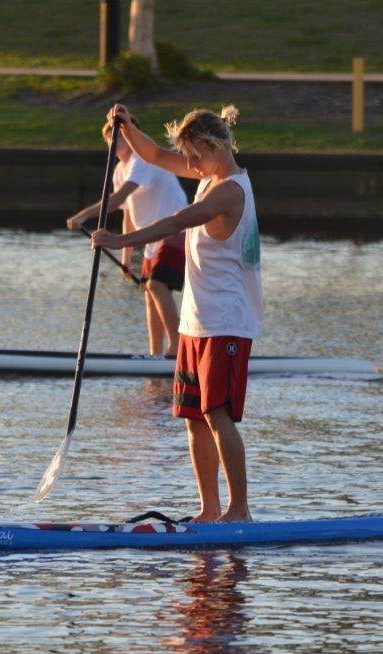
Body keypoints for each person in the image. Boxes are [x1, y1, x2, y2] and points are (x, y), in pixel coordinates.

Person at [91, 103, 263, 523]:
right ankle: (209, 510)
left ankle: (238, 511)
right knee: (192, 417)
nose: (189, 165)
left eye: (193, 156)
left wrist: (121, 240)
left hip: (227, 321)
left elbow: (177, 221)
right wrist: (125, 125)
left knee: (216, 414)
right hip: (195, 321)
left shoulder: (230, 191)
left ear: (211, 146)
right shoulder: (208, 175)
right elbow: (152, 155)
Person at [67, 118, 188, 356]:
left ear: (132, 136)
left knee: (156, 285)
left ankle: (176, 349)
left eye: (119, 137)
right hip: (153, 238)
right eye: (110, 139)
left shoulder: (142, 160)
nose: (114, 142)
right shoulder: (120, 170)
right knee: (149, 293)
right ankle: (155, 354)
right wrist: (126, 257)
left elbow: (117, 199)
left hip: (176, 231)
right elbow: (128, 213)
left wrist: (84, 215)